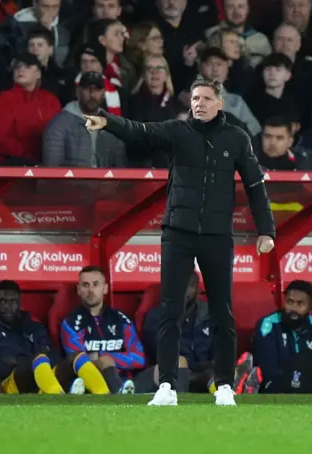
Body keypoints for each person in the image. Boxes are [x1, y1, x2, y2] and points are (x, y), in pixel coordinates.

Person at [84, 77, 276, 406]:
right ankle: (167, 387)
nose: (198, 103)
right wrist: (108, 122)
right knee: (170, 311)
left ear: (220, 103)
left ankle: (226, 386)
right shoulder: (177, 131)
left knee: (222, 313)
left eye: (205, 98)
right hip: (178, 232)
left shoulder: (237, 138)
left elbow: (256, 187)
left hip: (217, 236)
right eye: (195, 98)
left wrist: (267, 231)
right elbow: (140, 131)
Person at [0, 280, 86, 395]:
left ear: (19, 303)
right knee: (36, 360)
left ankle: (101, 394)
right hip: (10, 380)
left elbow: (51, 354)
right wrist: (16, 363)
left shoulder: (32, 324)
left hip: (42, 372)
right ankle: (58, 395)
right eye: (2, 302)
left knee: (75, 358)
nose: (7, 306)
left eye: (13, 302)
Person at [61, 266, 141, 394]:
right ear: (79, 290)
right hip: (90, 383)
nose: (91, 290)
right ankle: (119, 391)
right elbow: (79, 361)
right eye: (85, 285)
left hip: (129, 381)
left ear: (105, 288)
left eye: (96, 284)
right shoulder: (71, 323)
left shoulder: (121, 319)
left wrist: (103, 356)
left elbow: (139, 358)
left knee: (163, 370)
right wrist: (104, 362)